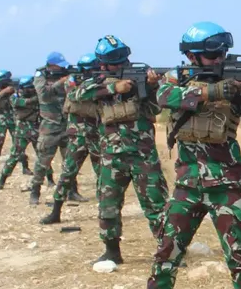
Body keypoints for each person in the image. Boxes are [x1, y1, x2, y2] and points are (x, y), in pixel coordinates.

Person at [127, 22, 241, 289]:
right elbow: (164, 97)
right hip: (187, 185)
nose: (218, 59)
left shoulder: (236, 85)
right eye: (211, 54)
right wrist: (214, 91)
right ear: (193, 56)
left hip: (225, 184)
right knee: (167, 250)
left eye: (221, 54)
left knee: (239, 254)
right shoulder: (177, 80)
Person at [66, 35, 169, 264]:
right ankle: (112, 251)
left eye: (122, 58)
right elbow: (77, 95)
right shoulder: (97, 82)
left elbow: (155, 109)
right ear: (102, 63)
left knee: (156, 204)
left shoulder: (139, 77)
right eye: (113, 60)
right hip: (111, 154)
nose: (120, 63)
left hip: (143, 154)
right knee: (108, 205)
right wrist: (114, 87)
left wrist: (151, 88)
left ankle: (168, 251)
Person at [40, 53, 100, 225]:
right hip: (78, 135)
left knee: (102, 175)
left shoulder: (101, 83)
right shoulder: (72, 81)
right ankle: (56, 211)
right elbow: (78, 95)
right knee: (67, 174)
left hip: (96, 134)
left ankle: (105, 212)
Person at [28, 53, 72, 206]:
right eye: (59, 65)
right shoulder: (41, 75)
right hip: (49, 126)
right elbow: (44, 95)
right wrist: (61, 82)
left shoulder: (66, 74)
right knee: (43, 162)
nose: (62, 68)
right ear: (51, 65)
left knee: (70, 162)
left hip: (66, 125)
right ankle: (35, 192)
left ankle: (72, 192)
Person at [0, 76, 42, 190]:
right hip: (22, 131)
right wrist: (39, 96)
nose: (28, 90)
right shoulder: (15, 98)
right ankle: (2, 179)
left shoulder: (36, 97)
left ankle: (49, 179)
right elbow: (25, 102)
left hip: (36, 129)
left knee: (42, 156)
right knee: (14, 156)